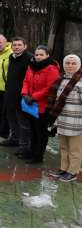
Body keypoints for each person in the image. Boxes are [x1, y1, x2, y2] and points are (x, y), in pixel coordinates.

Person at [20, 46, 60, 164]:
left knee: (40, 132)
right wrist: (25, 94)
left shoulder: (52, 69)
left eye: (41, 54)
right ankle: (31, 151)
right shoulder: (31, 66)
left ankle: (38, 156)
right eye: (36, 54)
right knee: (32, 129)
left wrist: (34, 97)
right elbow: (26, 81)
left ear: (47, 55)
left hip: (42, 106)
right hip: (30, 104)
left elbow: (50, 88)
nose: (38, 57)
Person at [50, 54, 82, 182]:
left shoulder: (80, 82)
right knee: (63, 147)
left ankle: (73, 171)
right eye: (67, 63)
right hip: (62, 120)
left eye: (73, 63)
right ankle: (64, 168)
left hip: (76, 121)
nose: (70, 66)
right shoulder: (61, 80)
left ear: (78, 65)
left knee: (75, 149)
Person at [2, 37, 33, 150]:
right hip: (10, 94)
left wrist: (27, 94)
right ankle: (14, 139)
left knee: (23, 123)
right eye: (14, 45)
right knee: (12, 119)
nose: (16, 47)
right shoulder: (12, 57)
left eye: (19, 45)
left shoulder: (30, 59)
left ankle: (24, 146)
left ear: (25, 46)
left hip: (22, 96)